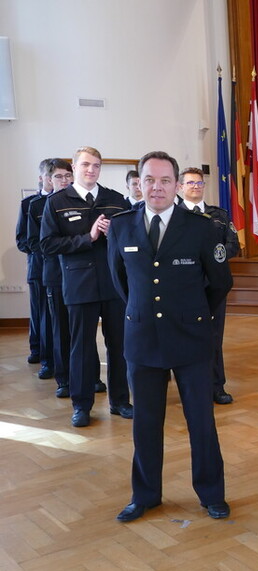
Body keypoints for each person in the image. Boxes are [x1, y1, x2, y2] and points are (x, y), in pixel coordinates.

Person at [107, 151, 233, 522]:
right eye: (149, 180)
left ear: (177, 186)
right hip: (142, 338)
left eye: (165, 180)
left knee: (201, 422)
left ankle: (211, 493)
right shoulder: (121, 226)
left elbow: (220, 282)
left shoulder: (200, 227)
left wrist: (192, 314)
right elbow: (120, 281)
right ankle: (145, 495)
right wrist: (142, 310)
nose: (156, 187)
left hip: (191, 338)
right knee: (145, 423)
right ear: (139, 183)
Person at [40, 146, 132, 427]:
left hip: (114, 285)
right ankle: (81, 406)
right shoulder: (57, 202)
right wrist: (87, 237)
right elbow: (47, 244)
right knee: (81, 347)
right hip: (79, 285)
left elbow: (131, 241)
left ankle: (119, 401)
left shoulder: (116, 200)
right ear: (75, 167)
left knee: (119, 346)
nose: (91, 170)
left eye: (96, 165)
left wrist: (114, 234)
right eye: (85, 165)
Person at [178, 167, 241, 404]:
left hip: (214, 286)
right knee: (185, 337)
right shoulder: (174, 216)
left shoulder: (219, 215)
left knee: (214, 337)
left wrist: (213, 258)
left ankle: (216, 386)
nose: (195, 186)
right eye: (190, 183)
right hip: (185, 287)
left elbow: (233, 245)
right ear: (180, 187)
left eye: (199, 183)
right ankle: (189, 387)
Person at [28, 159, 74, 396]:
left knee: (80, 330)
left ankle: (86, 376)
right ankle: (62, 376)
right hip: (53, 273)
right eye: (59, 176)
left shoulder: (80, 202)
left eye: (68, 176)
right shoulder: (36, 206)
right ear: (49, 179)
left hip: (79, 274)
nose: (64, 181)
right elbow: (36, 243)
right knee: (57, 328)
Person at [16, 159, 50, 366]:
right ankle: (37, 349)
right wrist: (41, 251)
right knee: (39, 314)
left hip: (61, 271)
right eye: (50, 176)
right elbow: (22, 240)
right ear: (42, 178)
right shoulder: (28, 204)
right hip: (38, 268)